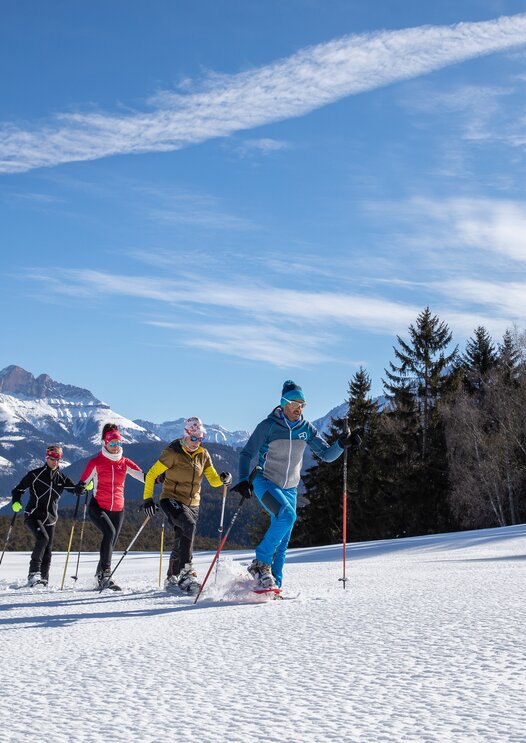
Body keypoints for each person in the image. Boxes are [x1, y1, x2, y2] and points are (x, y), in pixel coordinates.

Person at [232, 380, 361, 590]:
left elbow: (326, 455)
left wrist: (341, 444)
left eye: (302, 405)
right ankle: (260, 562)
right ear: (283, 403)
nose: (298, 409)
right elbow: (246, 453)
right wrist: (243, 479)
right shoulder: (269, 426)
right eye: (294, 403)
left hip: (290, 488)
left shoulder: (306, 428)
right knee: (287, 515)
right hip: (266, 482)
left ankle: (272, 586)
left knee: (284, 540)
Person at [142, 416, 232, 595]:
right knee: (188, 526)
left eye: (201, 438)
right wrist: (148, 499)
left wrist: (223, 479)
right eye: (194, 438)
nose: (197, 442)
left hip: (193, 503)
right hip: (171, 499)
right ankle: (186, 572)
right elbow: (151, 474)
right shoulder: (173, 452)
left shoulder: (203, 454)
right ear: (186, 435)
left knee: (180, 538)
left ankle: (172, 577)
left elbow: (213, 480)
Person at [77, 423, 144, 590]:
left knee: (111, 541)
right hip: (98, 506)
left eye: (118, 443)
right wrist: (80, 488)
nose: (115, 447)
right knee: (110, 532)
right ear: (104, 443)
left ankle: (100, 574)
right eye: (112, 443)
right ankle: (105, 574)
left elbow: (144, 477)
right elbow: (82, 483)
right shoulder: (96, 462)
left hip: (118, 509)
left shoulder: (125, 462)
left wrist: (161, 478)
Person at [11, 444, 82, 587]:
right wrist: (16, 501)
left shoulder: (61, 478)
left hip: (51, 519)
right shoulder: (35, 474)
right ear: (47, 457)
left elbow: (74, 489)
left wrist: (82, 488)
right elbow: (18, 489)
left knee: (48, 552)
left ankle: (43, 581)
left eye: (58, 458)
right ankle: (33, 574)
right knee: (43, 538)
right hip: (33, 515)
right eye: (52, 458)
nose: (55, 461)